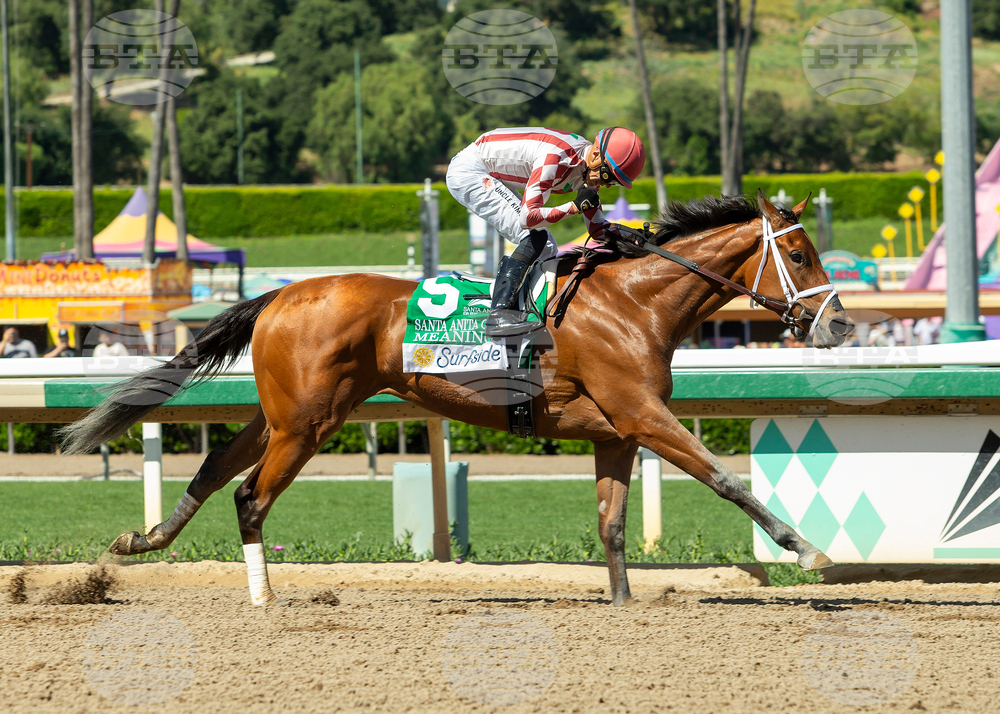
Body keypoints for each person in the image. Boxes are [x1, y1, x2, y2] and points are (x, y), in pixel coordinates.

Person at [446, 126, 646, 336]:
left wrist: (635, 237)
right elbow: (528, 218)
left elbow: (597, 230)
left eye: (613, 182)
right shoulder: (555, 158)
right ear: (595, 155)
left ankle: (524, 311)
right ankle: (499, 314)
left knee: (547, 244)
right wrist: (574, 207)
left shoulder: (590, 168)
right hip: (470, 171)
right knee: (536, 237)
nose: (606, 185)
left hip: (489, 168)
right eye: (607, 177)